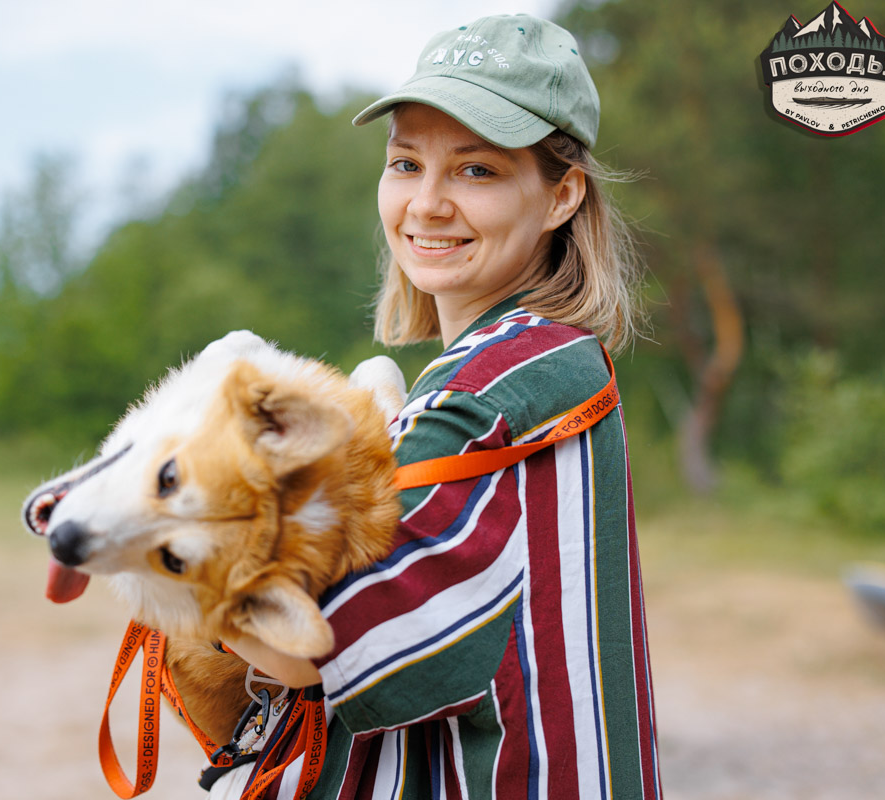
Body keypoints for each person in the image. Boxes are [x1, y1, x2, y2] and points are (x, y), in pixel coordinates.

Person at [228, 13, 660, 799]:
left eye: (476, 171)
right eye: (405, 164)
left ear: (562, 194)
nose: (425, 204)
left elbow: (303, 643)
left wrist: (161, 518)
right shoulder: (538, 357)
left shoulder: (496, 384)